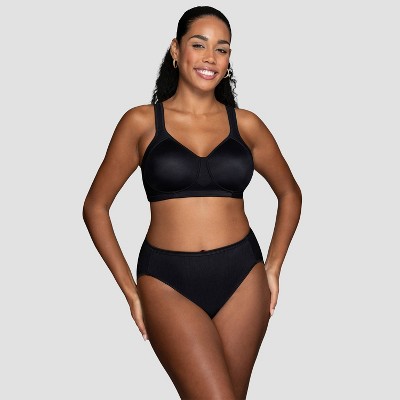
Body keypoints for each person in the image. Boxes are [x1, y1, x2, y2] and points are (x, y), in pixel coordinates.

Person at [83, 5, 302, 400]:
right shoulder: (140, 122)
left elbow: (290, 193)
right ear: (176, 49)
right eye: (199, 45)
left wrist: (273, 267)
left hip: (243, 277)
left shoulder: (247, 125)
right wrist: (131, 291)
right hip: (167, 281)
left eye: (222, 49)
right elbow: (95, 207)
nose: (210, 58)